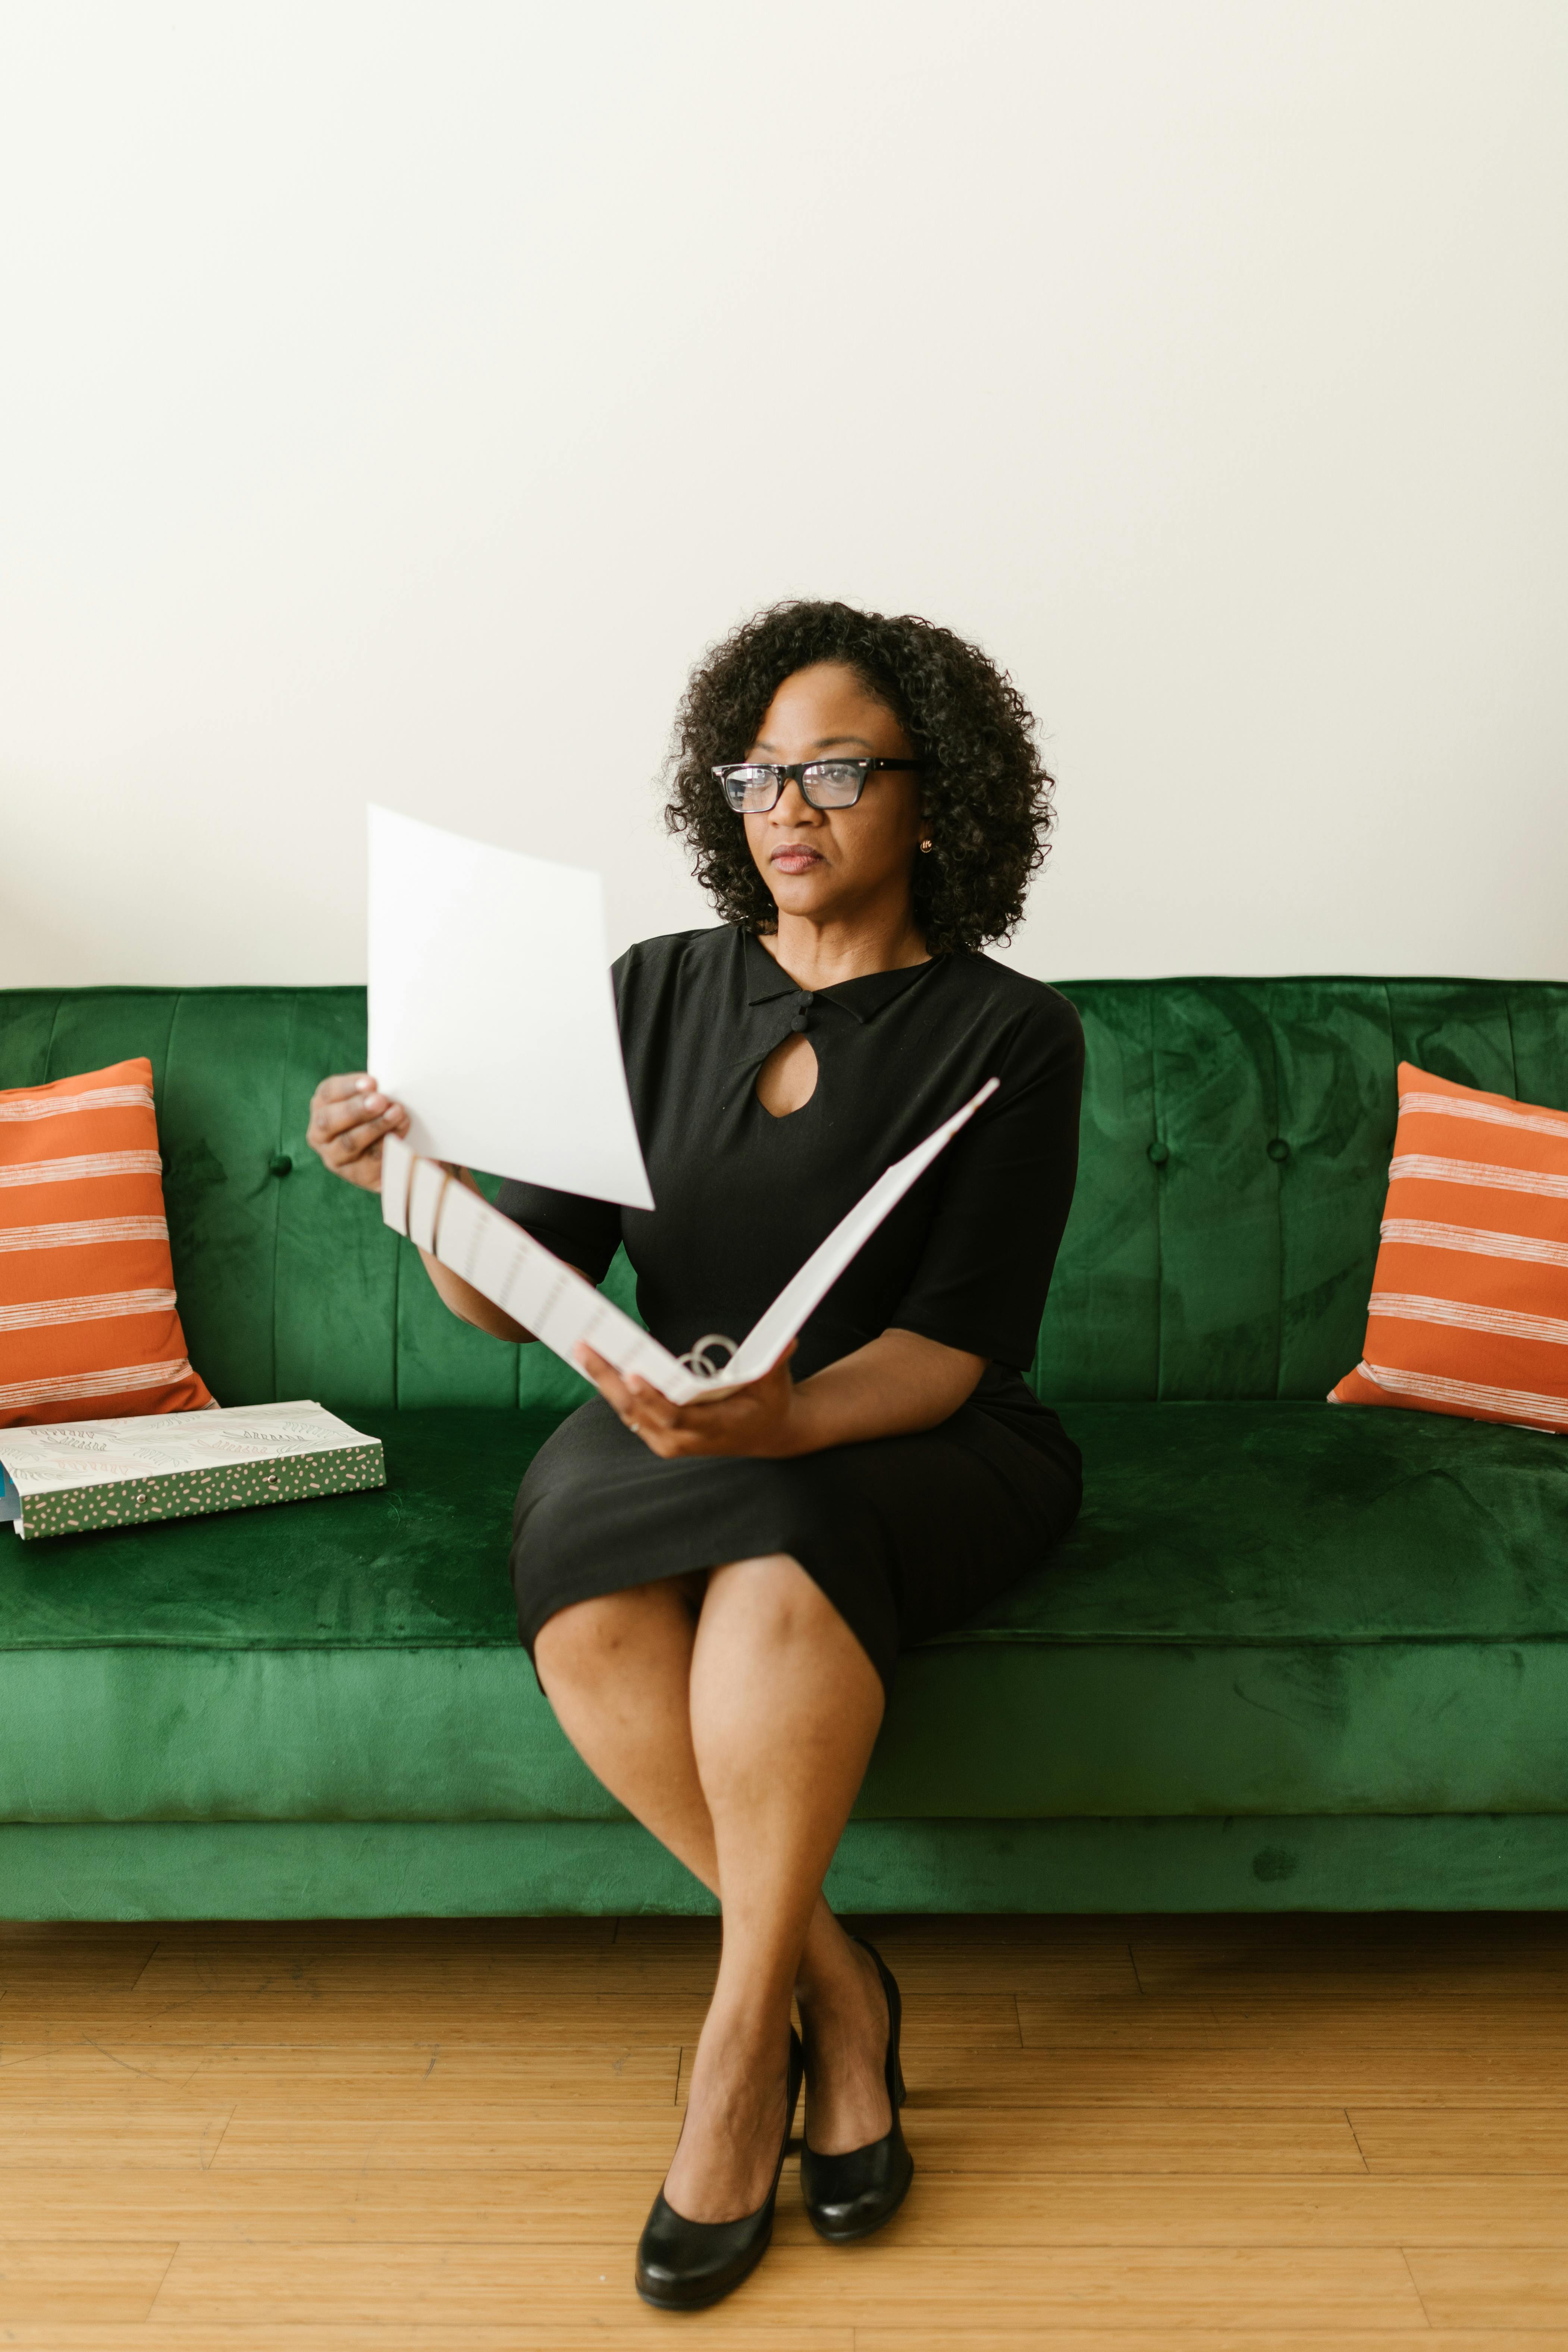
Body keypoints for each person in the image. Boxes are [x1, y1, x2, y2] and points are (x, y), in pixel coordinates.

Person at [307, 599, 1084, 2311]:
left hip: (907, 1424)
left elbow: (957, 1345)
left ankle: (739, 2049)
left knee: (775, 1572)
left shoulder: (1013, 1035)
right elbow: (523, 1301)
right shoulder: (652, 990)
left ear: (936, 799)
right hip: (669, 1405)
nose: (785, 804)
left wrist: (793, 1413)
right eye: (756, 771)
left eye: (834, 770)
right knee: (587, 1601)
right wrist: (416, 1188)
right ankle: (838, 1984)